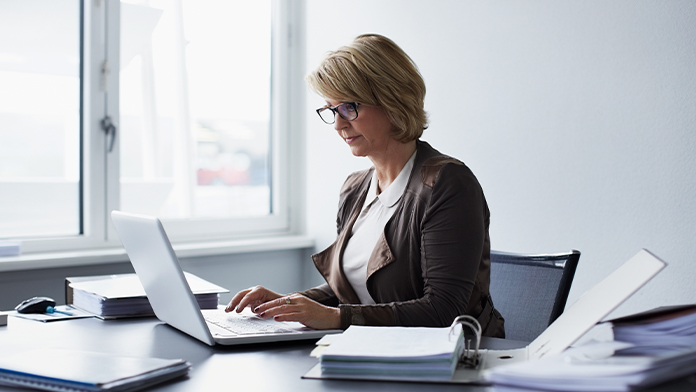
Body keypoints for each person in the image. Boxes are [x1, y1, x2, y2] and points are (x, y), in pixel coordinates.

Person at [226, 33, 505, 337]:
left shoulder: (448, 184)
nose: (338, 124)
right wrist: (289, 303)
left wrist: (335, 318)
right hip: (376, 350)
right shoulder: (355, 188)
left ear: (392, 100)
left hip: (443, 362)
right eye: (331, 110)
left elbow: (443, 310)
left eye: (348, 107)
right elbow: (350, 291)